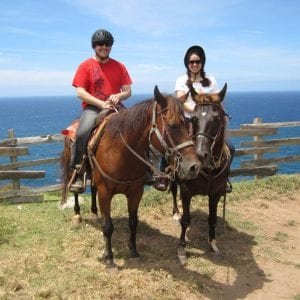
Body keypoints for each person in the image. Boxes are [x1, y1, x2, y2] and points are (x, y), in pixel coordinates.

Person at [154, 45, 235, 191]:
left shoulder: (211, 80)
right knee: (171, 145)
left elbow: (216, 101)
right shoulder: (181, 80)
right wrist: (197, 111)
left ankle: (224, 178)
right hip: (188, 120)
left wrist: (210, 114)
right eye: (191, 62)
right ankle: (164, 176)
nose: (194, 64)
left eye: (197, 61)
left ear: (202, 62)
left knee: (230, 147)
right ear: (187, 63)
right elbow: (181, 101)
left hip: (207, 123)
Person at [69, 29, 132, 193]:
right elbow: (80, 92)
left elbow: (128, 91)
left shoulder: (119, 66)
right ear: (94, 46)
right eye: (100, 44)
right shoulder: (85, 66)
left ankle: (144, 170)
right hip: (93, 107)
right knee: (82, 132)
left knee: (137, 127)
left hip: (115, 106)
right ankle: (77, 172)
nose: (104, 47)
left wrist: (118, 96)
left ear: (111, 46)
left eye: (107, 44)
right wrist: (101, 103)